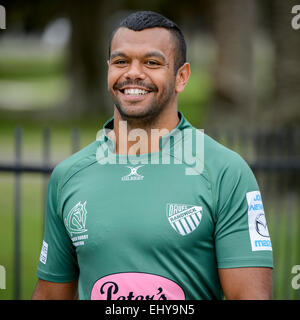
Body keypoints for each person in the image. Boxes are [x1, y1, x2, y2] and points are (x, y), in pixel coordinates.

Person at [32, 10, 273, 300]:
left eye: (152, 62)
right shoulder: (68, 176)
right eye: (121, 61)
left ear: (181, 77)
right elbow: (49, 295)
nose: (133, 73)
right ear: (109, 70)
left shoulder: (225, 172)